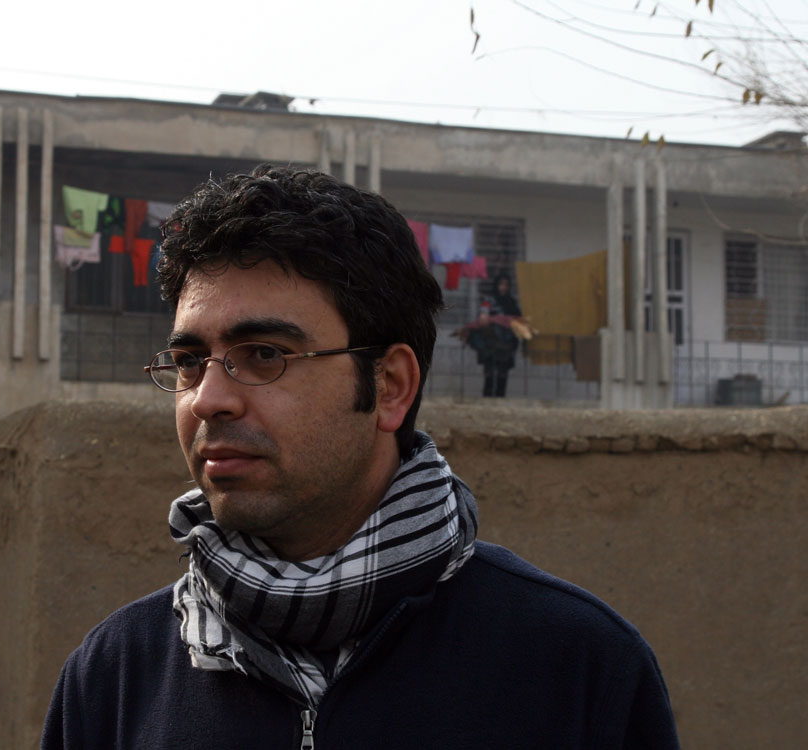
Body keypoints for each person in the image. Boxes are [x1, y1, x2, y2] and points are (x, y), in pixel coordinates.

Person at [41, 166, 679, 749]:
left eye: (264, 353)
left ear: (391, 386)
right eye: (187, 363)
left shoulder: (576, 668)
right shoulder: (114, 680)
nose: (208, 399)